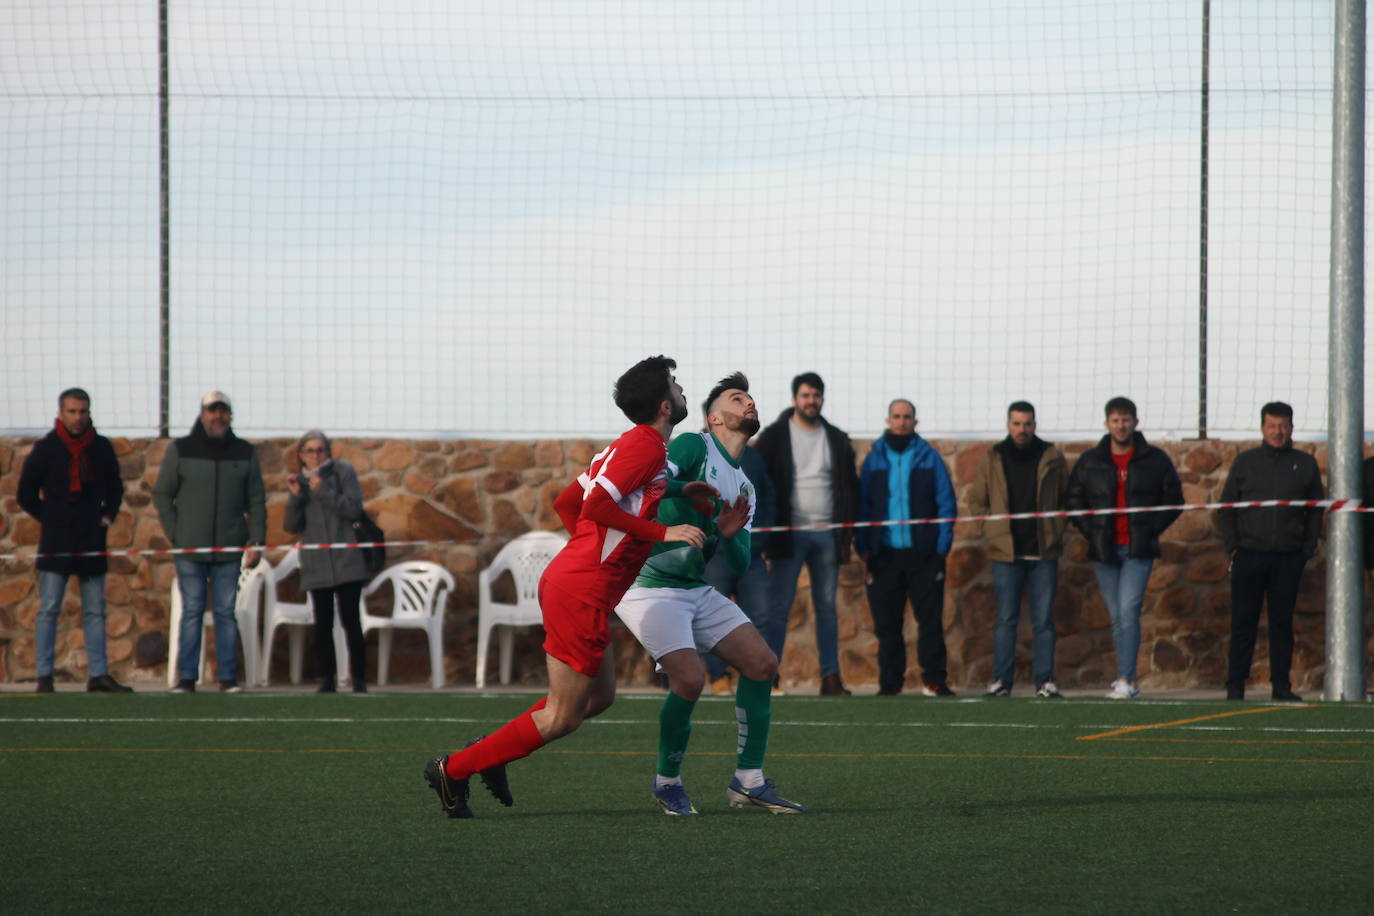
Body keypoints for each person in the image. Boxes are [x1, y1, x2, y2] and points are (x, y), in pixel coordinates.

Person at [424, 356, 708, 819]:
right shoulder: (648, 449)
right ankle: (453, 769)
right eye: (676, 385)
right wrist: (660, 534)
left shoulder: (629, 446)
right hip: (580, 591)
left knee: (599, 697)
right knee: (562, 716)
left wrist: (679, 495)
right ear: (663, 404)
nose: (682, 390)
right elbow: (595, 505)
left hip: (581, 585)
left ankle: (492, 751)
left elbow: (567, 501)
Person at [617, 373, 805, 815]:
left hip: (694, 587)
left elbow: (738, 563)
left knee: (762, 666)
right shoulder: (693, 446)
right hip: (648, 586)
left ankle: (749, 781)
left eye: (751, 396)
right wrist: (697, 510)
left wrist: (722, 532)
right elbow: (651, 487)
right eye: (737, 398)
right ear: (714, 417)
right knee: (692, 678)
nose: (749, 401)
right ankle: (667, 782)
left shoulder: (745, 486)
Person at [1066, 397, 1182, 699]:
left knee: (1129, 610)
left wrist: (1150, 527)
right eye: (1115, 420)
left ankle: (1127, 680)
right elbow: (1074, 501)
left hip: (1137, 550)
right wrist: (1092, 531)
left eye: (1126, 419)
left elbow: (1174, 499)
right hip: (1104, 549)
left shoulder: (1155, 459)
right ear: (1107, 423)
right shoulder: (1091, 460)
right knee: (1117, 615)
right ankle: (1125, 678)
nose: (1121, 425)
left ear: (1135, 422)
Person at [17, 388, 131, 693]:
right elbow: (25, 493)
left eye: (83, 411)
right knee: (50, 608)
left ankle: (98, 675)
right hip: (56, 540)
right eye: (72, 411)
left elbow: (115, 489)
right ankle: (44, 676)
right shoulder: (46, 448)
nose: (78, 417)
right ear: (61, 413)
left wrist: (106, 519)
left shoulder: (102, 447)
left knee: (95, 609)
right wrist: (51, 518)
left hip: (92, 537)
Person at [153, 391, 266, 693]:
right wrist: (176, 532)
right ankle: (187, 678)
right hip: (189, 549)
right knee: (192, 611)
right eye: (212, 411)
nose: (218, 417)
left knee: (225, 612)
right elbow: (163, 493)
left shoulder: (245, 452)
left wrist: (256, 540)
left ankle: (228, 678)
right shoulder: (181, 449)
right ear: (202, 414)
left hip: (229, 549)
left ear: (229, 415)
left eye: (223, 411)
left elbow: (256, 500)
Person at [755, 372, 859, 695]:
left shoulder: (837, 438)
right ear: (794, 399)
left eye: (816, 395)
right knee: (778, 607)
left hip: (827, 534)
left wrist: (847, 529)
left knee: (827, 607)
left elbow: (849, 488)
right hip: (789, 534)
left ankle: (831, 678)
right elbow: (763, 484)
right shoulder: (773, 437)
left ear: (822, 399)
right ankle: (768, 676)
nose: (811, 400)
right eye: (805, 395)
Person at [1216, 402, 1323, 701]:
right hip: (1248, 555)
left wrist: (1306, 547)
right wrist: (1233, 548)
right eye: (1272, 426)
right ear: (1262, 427)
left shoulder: (1305, 464)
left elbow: (1315, 510)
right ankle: (1235, 687)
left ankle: (1281, 687)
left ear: (1291, 427)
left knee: (1281, 624)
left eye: (1283, 426)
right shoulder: (1245, 462)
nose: (1278, 431)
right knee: (1243, 623)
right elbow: (1226, 509)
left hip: (1289, 558)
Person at [855, 399, 957, 697]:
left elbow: (946, 503)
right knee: (887, 625)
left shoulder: (929, 458)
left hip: (924, 555)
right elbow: (863, 506)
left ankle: (935, 681)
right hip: (884, 554)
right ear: (888, 420)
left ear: (915, 421)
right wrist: (864, 547)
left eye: (907, 417)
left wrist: (941, 547)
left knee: (930, 622)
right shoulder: (874, 459)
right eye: (897, 416)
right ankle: (890, 683)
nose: (901, 422)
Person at [968, 401, 1069, 698]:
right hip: (1006, 554)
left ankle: (1045, 681)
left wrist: (1057, 528)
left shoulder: (1052, 456)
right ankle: (1001, 681)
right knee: (1005, 620)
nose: (1022, 429)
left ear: (1035, 425)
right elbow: (977, 500)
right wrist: (990, 529)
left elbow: (1066, 498)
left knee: (1044, 621)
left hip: (1043, 552)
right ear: (1008, 424)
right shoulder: (993, 457)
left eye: (1027, 424)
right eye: (1016, 423)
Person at [283, 430, 371, 693]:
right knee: (322, 624)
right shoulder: (300, 481)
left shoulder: (343, 472)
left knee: (351, 621)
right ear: (301, 455)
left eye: (320, 450)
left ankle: (359, 680)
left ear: (328, 451)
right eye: (309, 451)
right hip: (316, 563)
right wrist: (297, 496)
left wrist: (324, 492)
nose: (315, 455)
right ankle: (327, 679)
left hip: (347, 561)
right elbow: (291, 525)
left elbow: (354, 509)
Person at [701, 437, 775, 696]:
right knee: (712, 620)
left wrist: (761, 542)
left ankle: (761, 676)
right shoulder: (699, 452)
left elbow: (767, 498)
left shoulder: (753, 458)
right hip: (715, 556)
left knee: (761, 618)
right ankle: (719, 677)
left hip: (751, 555)